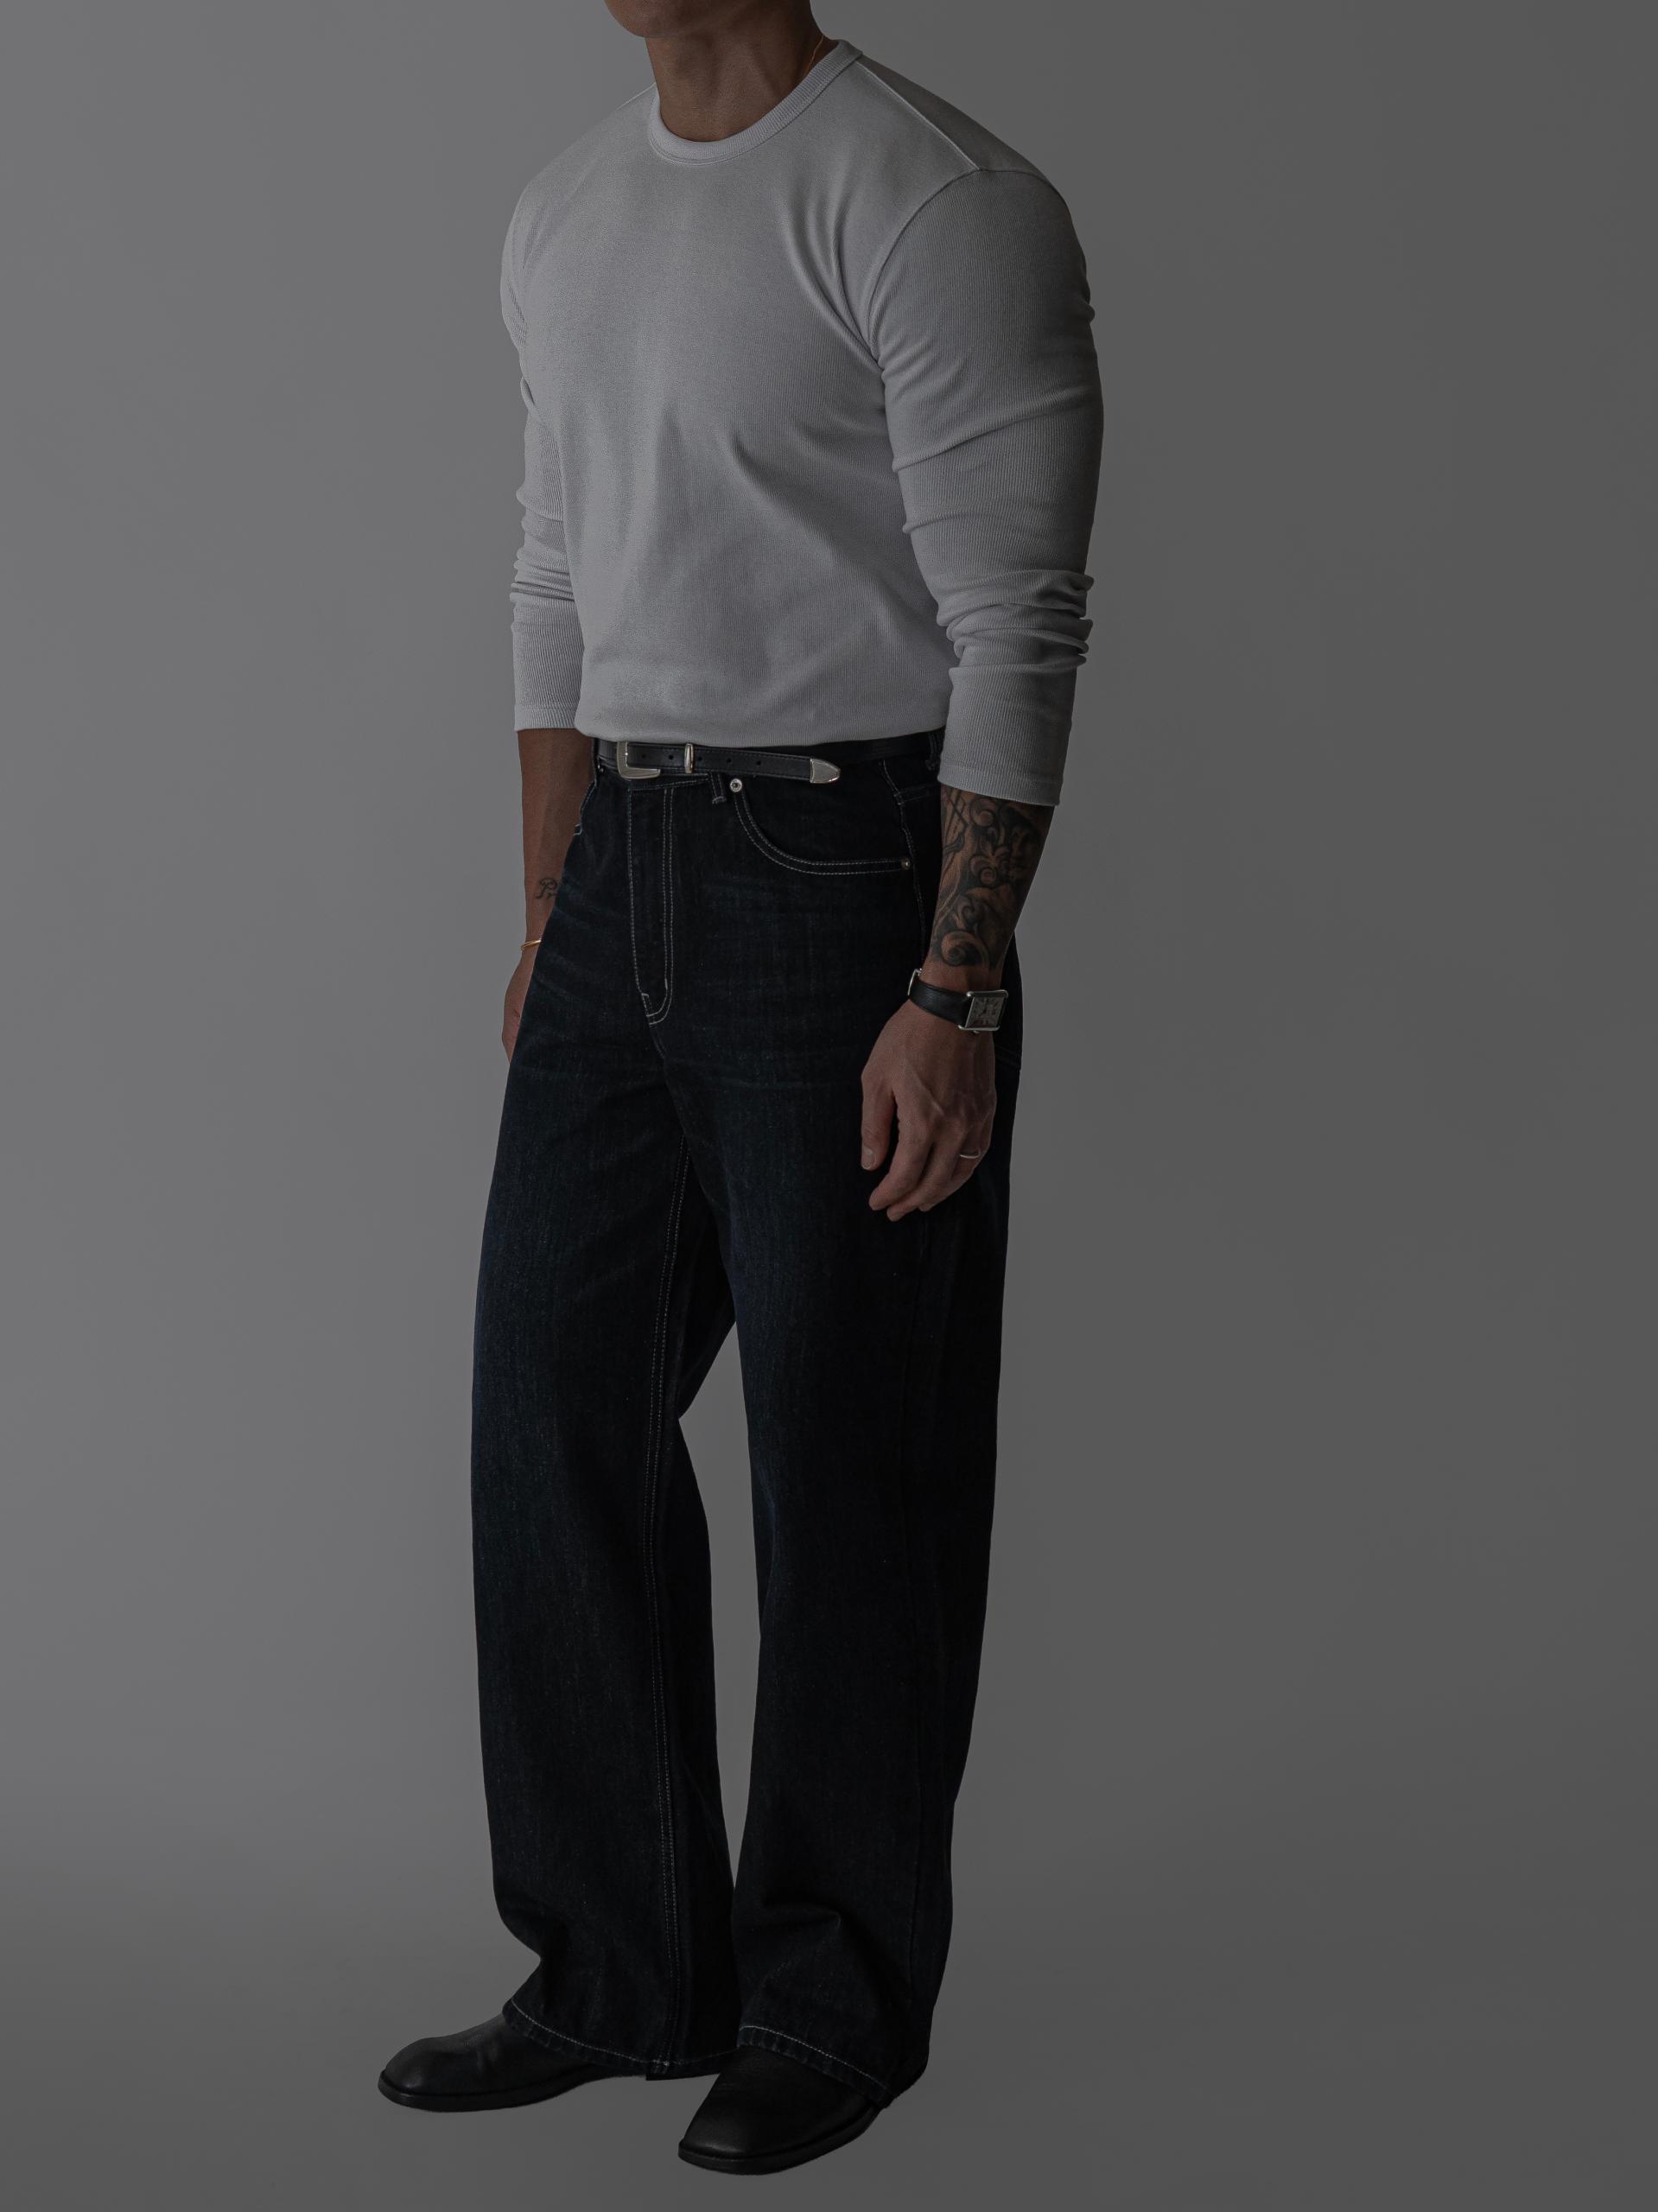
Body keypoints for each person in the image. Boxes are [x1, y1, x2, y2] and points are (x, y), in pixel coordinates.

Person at [379, 0, 1101, 2176]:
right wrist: (552, 910)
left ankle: (829, 1998)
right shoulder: (565, 211)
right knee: (551, 1415)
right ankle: (616, 1965)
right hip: (622, 870)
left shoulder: (935, 198)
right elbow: (550, 572)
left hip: (846, 871)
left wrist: (957, 981)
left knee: (848, 1454)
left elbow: (1017, 617)